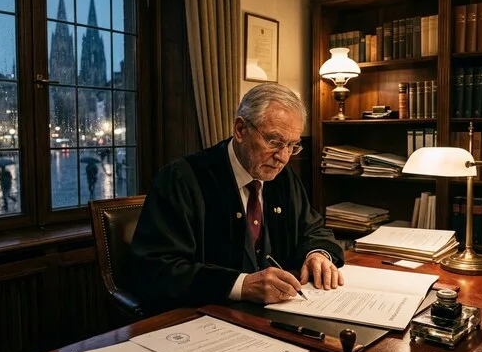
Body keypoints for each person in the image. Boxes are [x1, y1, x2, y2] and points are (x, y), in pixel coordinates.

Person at [129, 83, 344, 314]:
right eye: (274, 141)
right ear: (240, 129)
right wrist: (241, 285)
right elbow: (157, 269)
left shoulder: (283, 177)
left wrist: (317, 254)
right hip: (206, 320)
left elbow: (314, 229)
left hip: (278, 316)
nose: (283, 157)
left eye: (292, 145)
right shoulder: (182, 179)